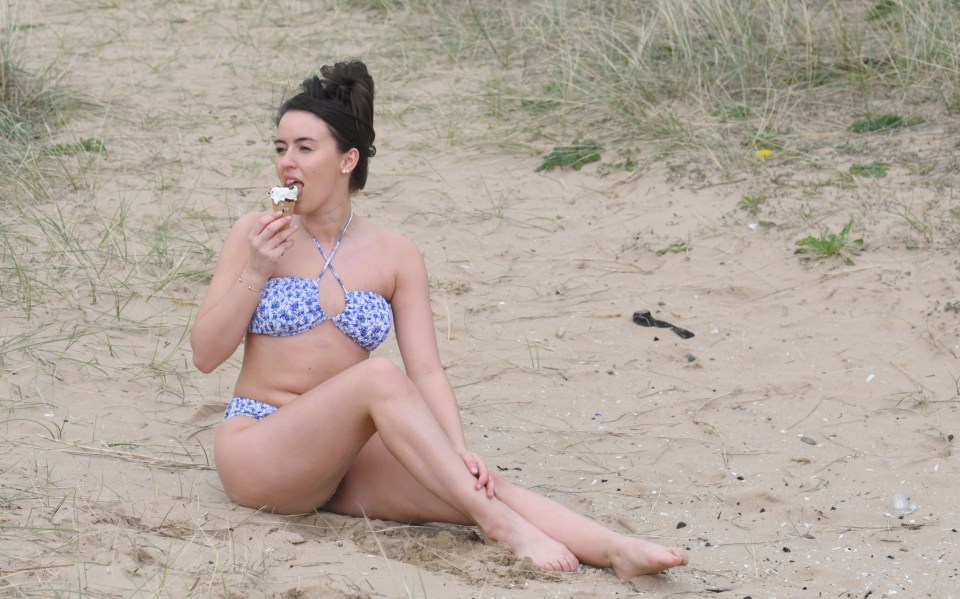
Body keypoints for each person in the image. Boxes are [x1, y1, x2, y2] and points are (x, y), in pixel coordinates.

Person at [190, 60, 688, 578]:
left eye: (304, 148)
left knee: (473, 486)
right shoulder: (255, 233)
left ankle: (614, 549)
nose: (286, 163)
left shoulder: (395, 254)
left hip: (344, 460)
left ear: (347, 160)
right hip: (260, 448)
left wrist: (457, 451)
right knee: (381, 378)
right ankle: (504, 529)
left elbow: (426, 371)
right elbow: (205, 355)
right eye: (280, 148)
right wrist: (256, 268)